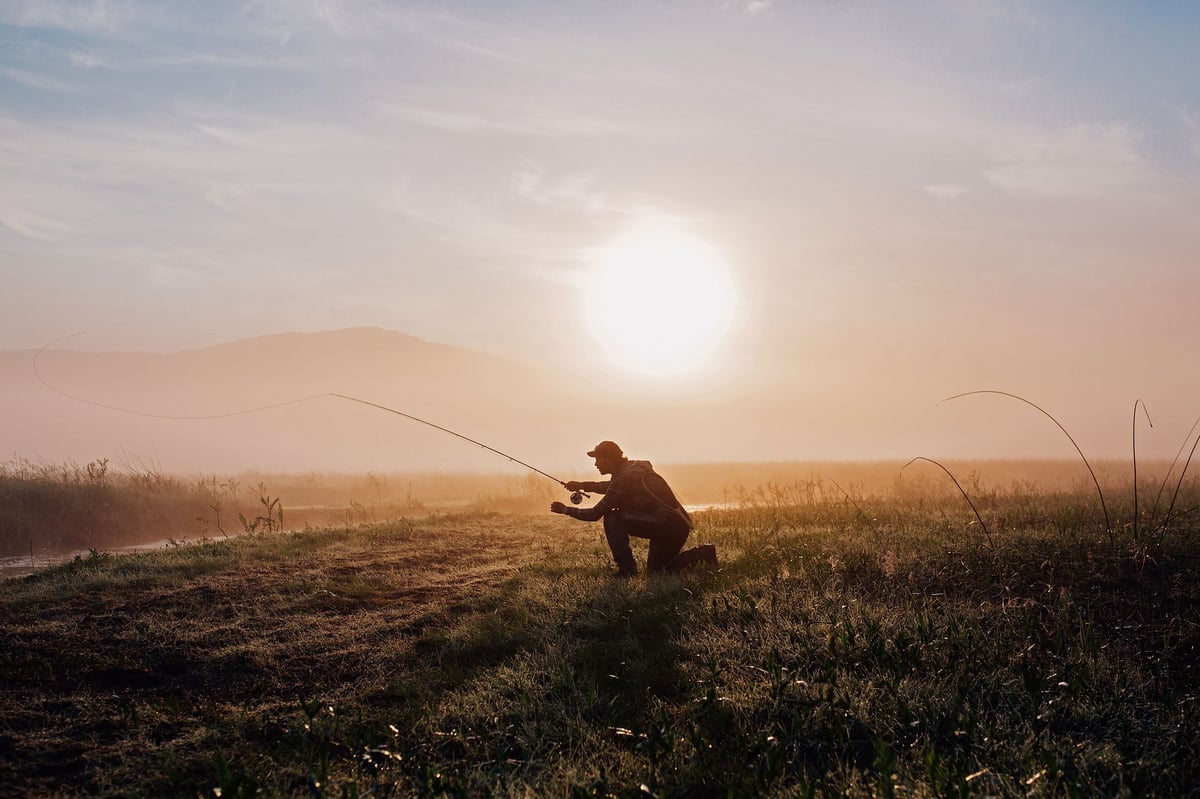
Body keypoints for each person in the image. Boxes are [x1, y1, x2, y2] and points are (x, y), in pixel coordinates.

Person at [551, 440, 717, 577]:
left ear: (609, 459)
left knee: (612, 517)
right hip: (674, 526)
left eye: (598, 459)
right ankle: (704, 554)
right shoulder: (631, 470)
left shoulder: (623, 478)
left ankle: (627, 571)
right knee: (657, 572)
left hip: (667, 527)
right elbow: (610, 486)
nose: (596, 464)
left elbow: (595, 513)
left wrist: (566, 510)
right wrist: (581, 485)